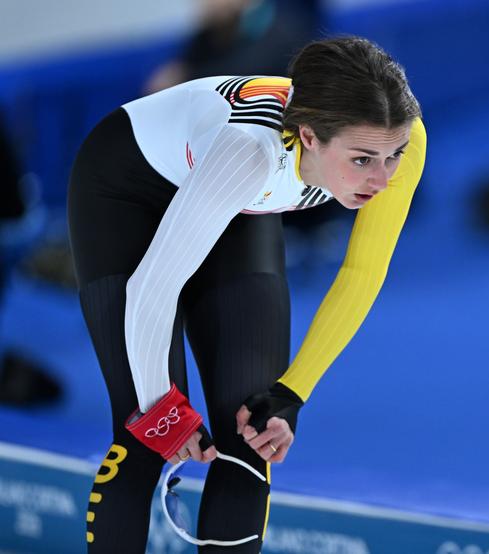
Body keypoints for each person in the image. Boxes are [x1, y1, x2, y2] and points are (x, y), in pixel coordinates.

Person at [67, 36, 426, 553]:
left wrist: (290, 394)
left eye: (392, 157)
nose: (383, 179)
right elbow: (152, 286)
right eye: (363, 159)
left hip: (235, 203)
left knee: (252, 435)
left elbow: (361, 272)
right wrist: (162, 408)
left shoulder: (401, 135)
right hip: (128, 192)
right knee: (144, 435)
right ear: (309, 136)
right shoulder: (250, 151)